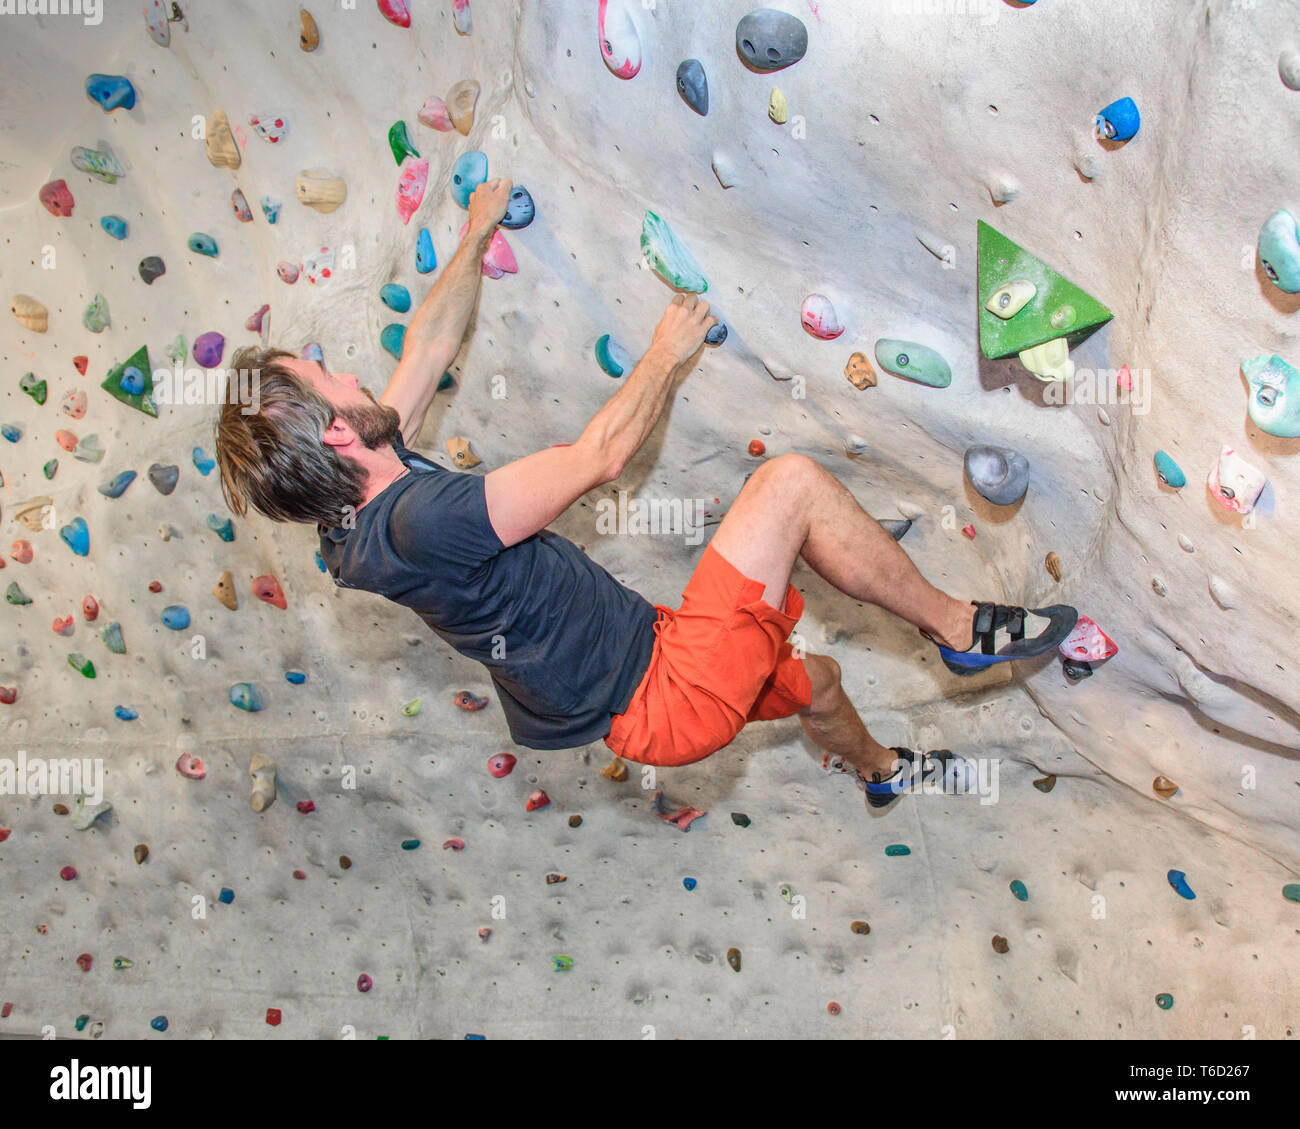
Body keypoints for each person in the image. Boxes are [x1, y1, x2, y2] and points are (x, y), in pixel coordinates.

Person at [215, 178, 1077, 810]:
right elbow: (597, 456)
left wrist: (476, 234)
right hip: (668, 689)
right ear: (334, 430)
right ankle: (960, 630)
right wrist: (667, 348)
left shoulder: (350, 511)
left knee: (815, 680)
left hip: (648, 683)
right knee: (788, 486)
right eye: (329, 375)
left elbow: (428, 349)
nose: (352, 372)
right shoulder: (421, 521)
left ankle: (884, 774)